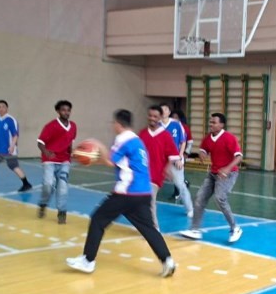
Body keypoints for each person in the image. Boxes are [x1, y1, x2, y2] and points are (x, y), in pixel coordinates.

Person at [66, 109, 176, 277]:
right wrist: (93, 157)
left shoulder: (122, 139)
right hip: (143, 193)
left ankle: (87, 261)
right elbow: (117, 162)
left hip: (127, 193)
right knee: (149, 229)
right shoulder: (137, 141)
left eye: (114, 123)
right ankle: (167, 260)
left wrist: (98, 145)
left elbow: (110, 161)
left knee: (98, 220)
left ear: (118, 124)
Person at [180, 113, 243, 243]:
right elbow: (203, 149)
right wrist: (202, 153)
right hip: (213, 173)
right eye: (210, 122)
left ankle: (235, 228)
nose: (211, 124)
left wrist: (227, 169)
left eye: (214, 122)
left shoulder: (229, 138)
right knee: (199, 198)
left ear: (221, 125)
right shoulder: (208, 138)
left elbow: (239, 156)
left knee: (220, 198)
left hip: (229, 174)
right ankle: (195, 230)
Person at [139, 105, 182, 230]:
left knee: (150, 202)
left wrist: (167, 169)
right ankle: (143, 225)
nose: (152, 118)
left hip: (155, 175)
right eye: (150, 115)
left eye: (155, 116)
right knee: (138, 202)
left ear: (160, 118)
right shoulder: (142, 134)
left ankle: (154, 230)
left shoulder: (165, 136)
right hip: (141, 174)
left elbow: (173, 155)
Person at [37, 100, 77, 224]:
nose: (66, 112)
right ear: (58, 111)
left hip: (64, 161)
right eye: (63, 110)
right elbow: (40, 142)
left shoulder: (73, 126)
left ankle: (62, 212)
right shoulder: (51, 126)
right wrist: (46, 152)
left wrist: (73, 153)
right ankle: (43, 204)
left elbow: (70, 142)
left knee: (63, 188)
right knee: (48, 185)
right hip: (50, 161)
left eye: (68, 110)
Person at [160, 103, 193, 216]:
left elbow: (183, 141)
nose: (163, 111)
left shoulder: (177, 124)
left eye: (165, 109)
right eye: (161, 109)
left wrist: (180, 157)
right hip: (161, 160)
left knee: (180, 185)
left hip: (175, 159)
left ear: (169, 112)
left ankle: (190, 209)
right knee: (151, 184)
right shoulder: (156, 125)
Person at [170, 109, 193, 198]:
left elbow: (190, 142)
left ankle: (177, 193)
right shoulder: (169, 126)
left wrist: (186, 153)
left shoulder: (185, 127)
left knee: (177, 174)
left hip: (180, 155)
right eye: (173, 117)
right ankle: (184, 183)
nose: (174, 119)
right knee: (174, 175)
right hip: (171, 155)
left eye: (176, 117)